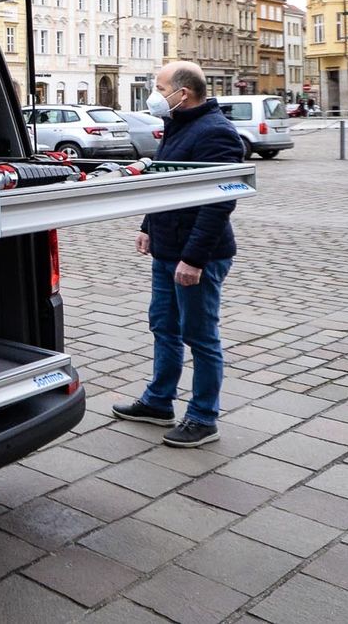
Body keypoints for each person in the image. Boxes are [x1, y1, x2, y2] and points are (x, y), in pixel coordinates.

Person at [112, 60, 242, 448]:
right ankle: (158, 402)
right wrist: (148, 227)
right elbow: (163, 181)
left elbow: (219, 203)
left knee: (199, 335)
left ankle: (203, 417)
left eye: (160, 86)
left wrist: (194, 260)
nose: (155, 93)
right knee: (163, 326)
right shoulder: (178, 124)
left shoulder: (217, 133)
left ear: (182, 93)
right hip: (167, 248)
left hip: (197, 255)